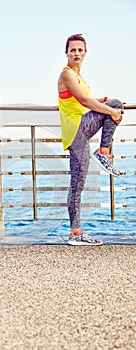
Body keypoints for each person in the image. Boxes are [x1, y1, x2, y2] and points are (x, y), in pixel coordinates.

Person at [58, 34, 124, 246]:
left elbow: (86, 100)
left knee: (78, 183)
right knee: (77, 184)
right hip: (75, 129)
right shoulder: (67, 74)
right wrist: (111, 111)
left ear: (85, 53)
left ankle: (76, 232)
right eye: (72, 50)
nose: (76, 53)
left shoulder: (79, 77)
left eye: (80, 50)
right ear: (66, 53)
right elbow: (84, 100)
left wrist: (102, 102)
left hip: (79, 130)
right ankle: (103, 152)